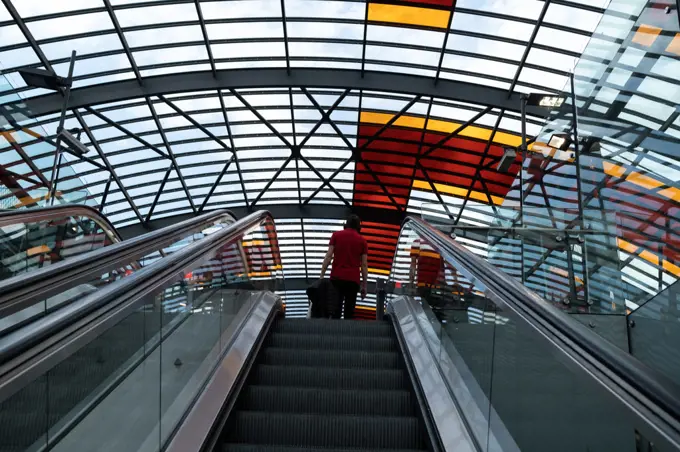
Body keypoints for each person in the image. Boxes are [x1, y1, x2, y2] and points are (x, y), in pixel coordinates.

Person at [320, 214, 368, 319]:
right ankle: (347, 331)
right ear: (358, 227)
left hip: (336, 278)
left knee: (335, 310)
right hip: (353, 281)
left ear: (346, 225)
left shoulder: (336, 236)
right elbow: (364, 265)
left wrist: (322, 275)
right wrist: (364, 285)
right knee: (349, 312)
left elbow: (328, 256)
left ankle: (335, 332)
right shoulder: (362, 241)